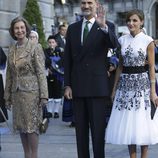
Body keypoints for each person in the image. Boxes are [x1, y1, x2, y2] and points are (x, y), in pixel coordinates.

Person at [64, 0, 119, 157]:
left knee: (98, 133)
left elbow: (114, 45)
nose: (86, 6)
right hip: (78, 87)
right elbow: (67, 59)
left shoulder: (106, 25)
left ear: (96, 4)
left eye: (89, 2)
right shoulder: (73, 28)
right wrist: (67, 84)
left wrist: (103, 27)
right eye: (83, 3)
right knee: (80, 134)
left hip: (97, 87)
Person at [106, 9, 158, 158]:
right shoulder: (122, 40)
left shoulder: (148, 41)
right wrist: (114, 89)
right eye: (129, 20)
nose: (131, 23)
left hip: (142, 85)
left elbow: (151, 68)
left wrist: (153, 91)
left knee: (142, 124)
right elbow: (120, 67)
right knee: (128, 126)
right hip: (125, 86)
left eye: (134, 20)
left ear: (141, 22)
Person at [4, 16, 48, 158]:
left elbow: (41, 72)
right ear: (12, 30)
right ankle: (26, 156)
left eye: (22, 27)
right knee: (22, 127)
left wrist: (44, 95)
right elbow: (9, 74)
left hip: (32, 94)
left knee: (32, 128)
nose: (19, 30)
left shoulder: (36, 47)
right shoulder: (11, 49)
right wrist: (7, 97)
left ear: (26, 29)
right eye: (16, 28)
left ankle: (33, 156)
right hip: (17, 94)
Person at [45, 35, 64, 118]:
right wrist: (48, 68)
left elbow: (63, 61)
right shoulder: (45, 51)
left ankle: (56, 111)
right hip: (49, 74)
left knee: (57, 92)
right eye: (49, 42)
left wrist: (58, 67)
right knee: (49, 92)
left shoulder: (60, 51)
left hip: (58, 74)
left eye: (53, 42)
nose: (51, 44)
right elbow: (44, 61)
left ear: (56, 43)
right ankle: (49, 111)